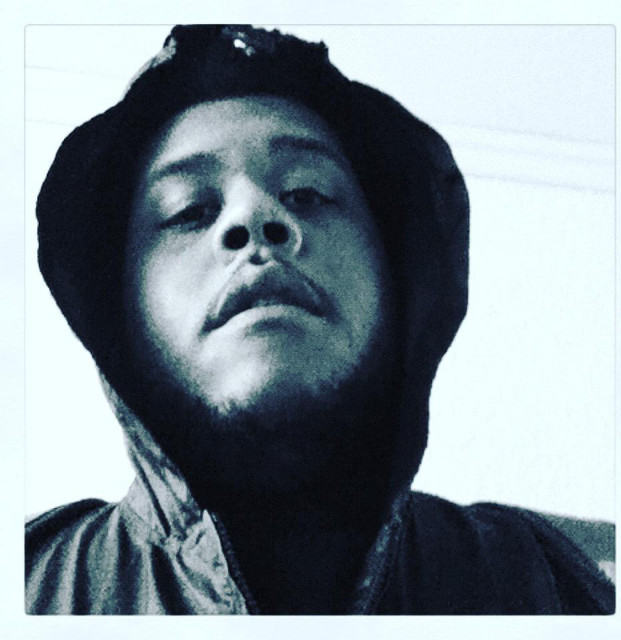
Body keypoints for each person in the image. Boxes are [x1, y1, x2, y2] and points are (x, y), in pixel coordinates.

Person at [26, 24, 614, 615]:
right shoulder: (29, 582)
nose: (253, 216)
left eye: (307, 192)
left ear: (399, 276)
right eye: (190, 209)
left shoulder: (539, 582)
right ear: (117, 308)